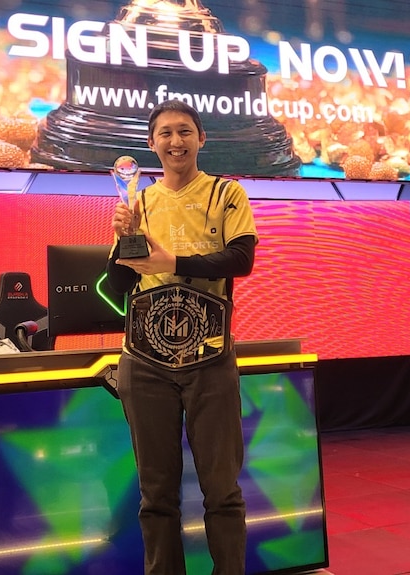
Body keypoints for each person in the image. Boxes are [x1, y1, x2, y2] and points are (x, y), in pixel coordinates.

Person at [106, 99, 258, 575]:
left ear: (201, 139)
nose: (176, 141)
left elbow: (241, 260)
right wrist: (120, 246)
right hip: (145, 359)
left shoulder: (226, 194)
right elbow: (118, 287)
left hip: (210, 356)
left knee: (222, 489)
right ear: (151, 144)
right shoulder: (139, 201)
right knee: (155, 493)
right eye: (166, 133)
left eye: (185, 131)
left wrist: (173, 263)